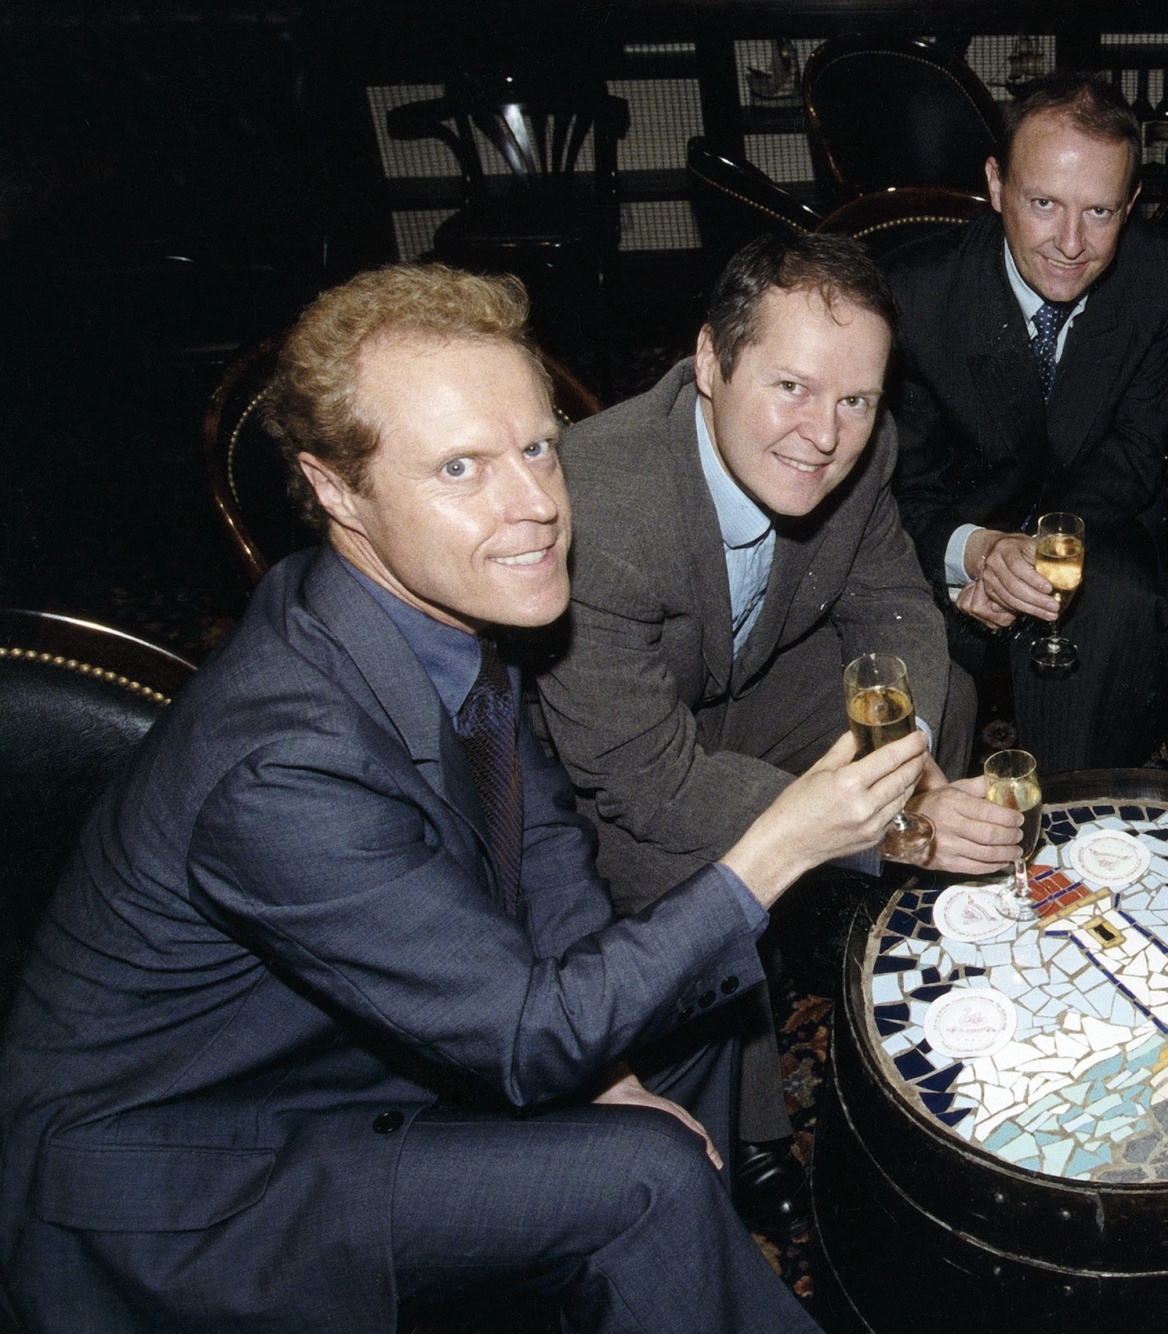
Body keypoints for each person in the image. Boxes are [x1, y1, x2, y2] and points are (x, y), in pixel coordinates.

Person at [0, 265, 921, 1332]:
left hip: (338, 1056)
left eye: (537, 448)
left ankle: (655, 1287)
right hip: (189, 1171)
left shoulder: (425, 612)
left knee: (700, 1013)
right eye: (458, 467)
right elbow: (525, 1037)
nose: (536, 506)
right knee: (642, 1175)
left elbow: (543, 842)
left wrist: (609, 1068)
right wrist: (777, 846)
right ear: (337, 490)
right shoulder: (281, 763)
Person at [534, 231, 1020, 1230]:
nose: (824, 436)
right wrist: (890, 827)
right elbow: (651, 778)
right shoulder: (602, 512)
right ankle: (751, 1124)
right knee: (695, 867)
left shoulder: (863, 444)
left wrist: (908, 760)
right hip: (596, 765)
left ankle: (878, 938)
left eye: (856, 400)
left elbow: (891, 600)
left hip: (738, 682)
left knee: (951, 701)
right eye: (790, 387)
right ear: (710, 361)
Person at [887, 70, 1168, 772]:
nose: (1070, 243)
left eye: (1100, 212)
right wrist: (976, 554)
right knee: (913, 658)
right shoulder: (916, 297)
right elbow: (902, 487)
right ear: (997, 186)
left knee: (1119, 606)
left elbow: (1134, 452)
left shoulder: (1159, 278)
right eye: (1044, 203)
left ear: (1132, 205)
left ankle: (1069, 812)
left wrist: (1037, 551)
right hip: (956, 534)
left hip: (1090, 522)